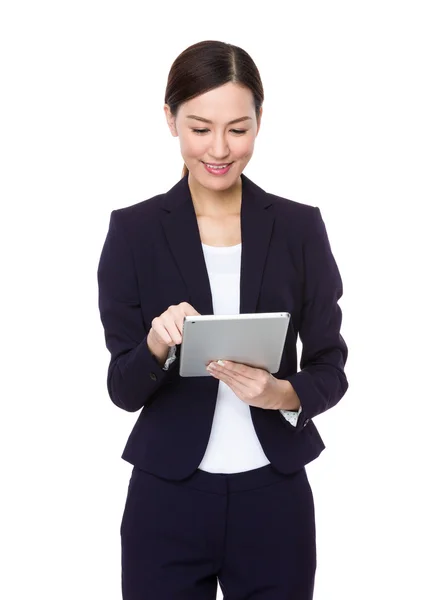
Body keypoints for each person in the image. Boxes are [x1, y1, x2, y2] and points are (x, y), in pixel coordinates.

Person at [97, 39, 349, 600]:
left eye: (238, 129)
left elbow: (332, 365)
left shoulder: (298, 228)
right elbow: (122, 388)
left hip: (274, 498)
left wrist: (282, 392)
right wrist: (157, 346)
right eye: (199, 127)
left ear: (260, 121)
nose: (219, 148)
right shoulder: (133, 233)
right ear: (170, 119)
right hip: (167, 498)